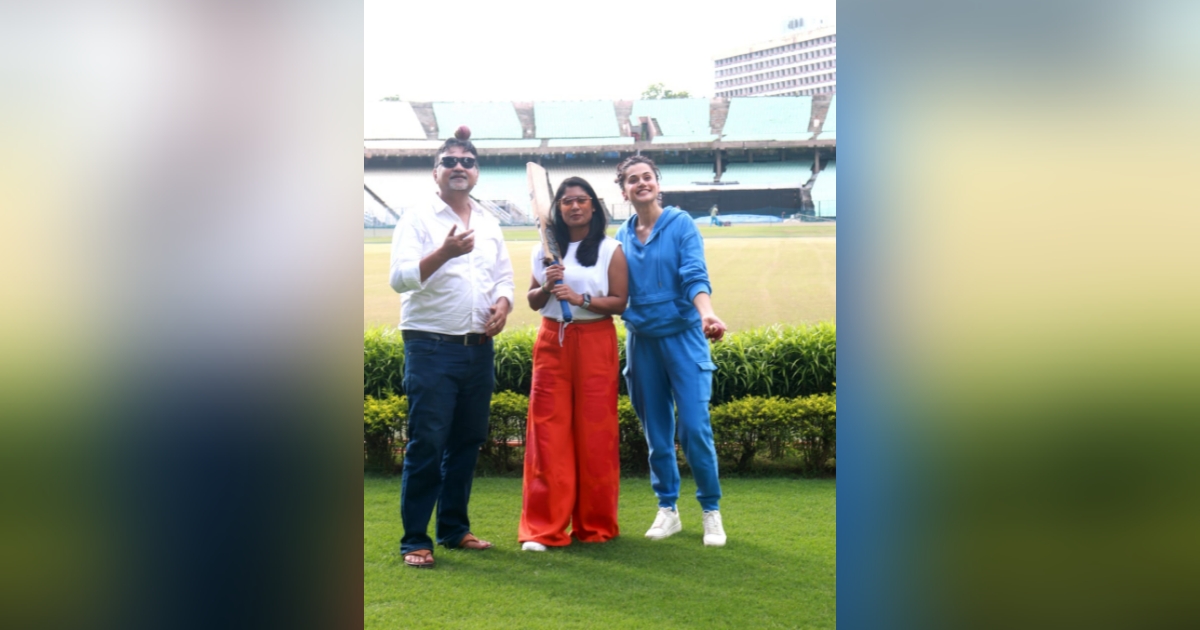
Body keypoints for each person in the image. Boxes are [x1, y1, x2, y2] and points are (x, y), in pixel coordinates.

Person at [388, 133, 514, 568]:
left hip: (478, 348)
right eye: (450, 161)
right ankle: (414, 539)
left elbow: (503, 277)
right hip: (430, 345)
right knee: (428, 442)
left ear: (476, 172)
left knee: (466, 441)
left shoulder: (489, 221)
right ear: (436, 171)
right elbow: (400, 279)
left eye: (468, 161)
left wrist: (503, 303)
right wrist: (444, 252)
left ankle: (454, 529)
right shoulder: (417, 218)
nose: (459, 166)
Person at [613, 155, 729, 547]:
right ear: (624, 191)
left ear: (658, 184)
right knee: (657, 436)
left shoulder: (681, 225)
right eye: (633, 179)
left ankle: (710, 510)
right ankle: (668, 509)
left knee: (694, 428)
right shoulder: (621, 236)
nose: (641, 183)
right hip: (642, 342)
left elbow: (694, 274)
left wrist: (706, 313)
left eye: (647, 177)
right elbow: (614, 289)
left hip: (683, 337)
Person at [518, 177, 628, 552]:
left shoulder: (610, 249)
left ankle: (595, 524)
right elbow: (532, 300)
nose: (575, 206)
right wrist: (547, 287)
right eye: (567, 201)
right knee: (547, 434)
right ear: (558, 209)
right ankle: (543, 529)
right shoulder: (544, 250)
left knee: (596, 434)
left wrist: (581, 299)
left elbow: (620, 302)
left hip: (596, 340)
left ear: (593, 206)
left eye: (582, 200)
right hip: (553, 340)